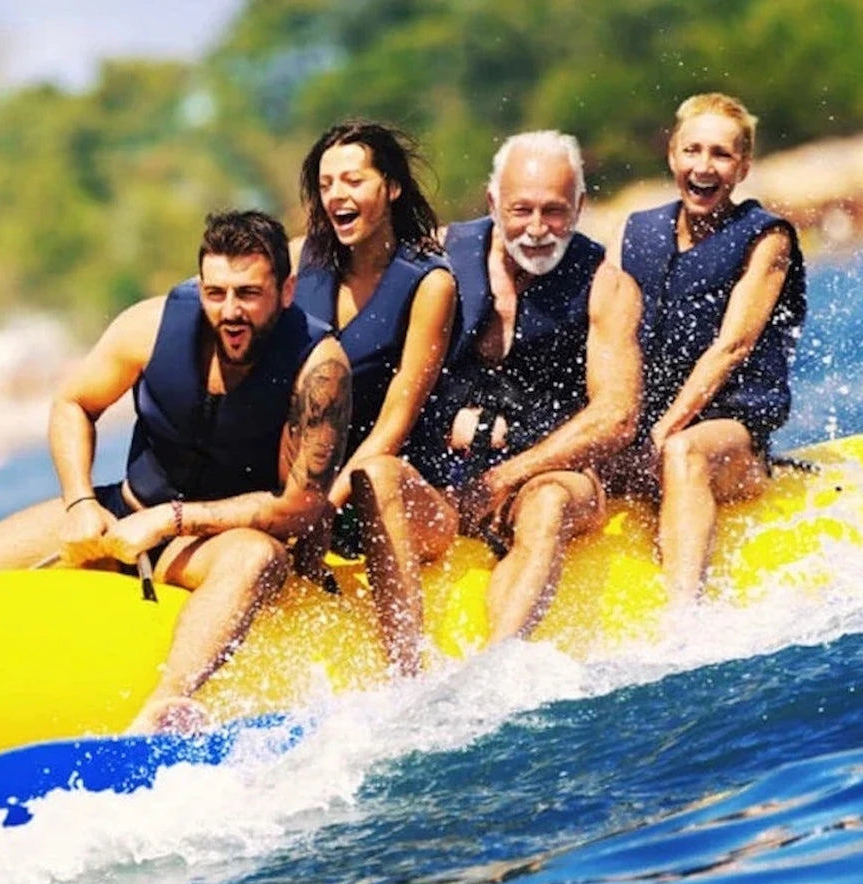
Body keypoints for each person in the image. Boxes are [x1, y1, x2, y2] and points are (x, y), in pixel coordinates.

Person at [0, 210, 353, 732]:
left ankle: (165, 706)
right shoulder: (149, 327)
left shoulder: (319, 365)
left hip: (215, 542)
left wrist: (172, 519)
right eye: (215, 293)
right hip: (119, 514)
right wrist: (80, 501)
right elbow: (73, 404)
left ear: (286, 292)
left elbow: (300, 506)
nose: (230, 312)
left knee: (257, 557)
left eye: (248, 294)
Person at [345, 131, 642, 664]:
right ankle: (403, 670)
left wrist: (505, 477)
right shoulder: (431, 260)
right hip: (444, 491)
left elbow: (617, 416)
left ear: (579, 207)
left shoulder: (606, 286)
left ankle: (496, 666)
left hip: (542, 481)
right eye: (521, 210)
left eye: (554, 211)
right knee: (379, 476)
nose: (536, 228)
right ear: (492, 202)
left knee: (548, 503)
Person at [606, 93, 807, 603]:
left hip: (731, 437)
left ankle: (685, 615)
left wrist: (664, 430)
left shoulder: (766, 239)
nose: (704, 166)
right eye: (692, 150)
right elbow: (607, 338)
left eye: (721, 154)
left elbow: (732, 346)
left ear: (743, 167)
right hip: (645, 429)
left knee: (683, 451)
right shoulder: (636, 232)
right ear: (672, 154)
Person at [288, 120, 457, 658]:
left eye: (353, 180)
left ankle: (405, 667)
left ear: (392, 187)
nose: (336, 195)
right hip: (307, 492)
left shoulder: (429, 283)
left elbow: (395, 423)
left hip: (402, 493)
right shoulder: (300, 262)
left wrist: (321, 506)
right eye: (326, 184)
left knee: (375, 472)